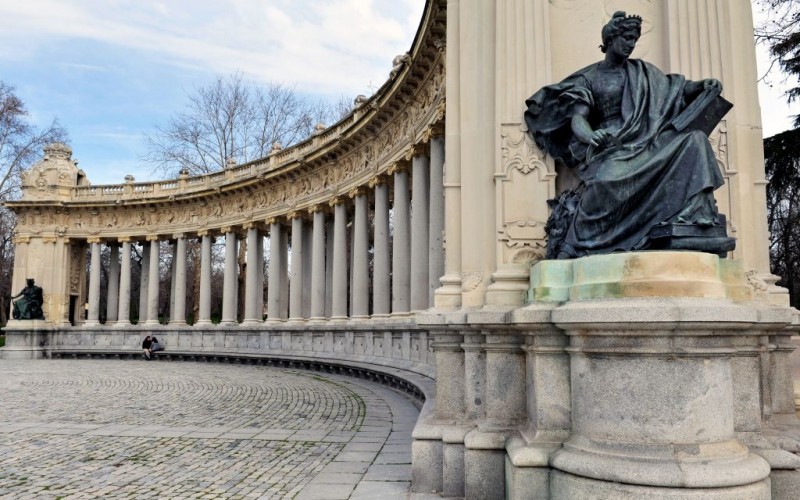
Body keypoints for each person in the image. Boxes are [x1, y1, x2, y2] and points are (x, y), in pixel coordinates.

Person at [524, 11, 734, 259]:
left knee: (695, 140)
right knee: (605, 180)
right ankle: (574, 244)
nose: (631, 44)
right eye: (626, 38)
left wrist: (703, 85)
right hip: (610, 147)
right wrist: (591, 137)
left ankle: (695, 217)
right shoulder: (589, 78)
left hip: (647, 141)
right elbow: (578, 118)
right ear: (610, 39)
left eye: (634, 38)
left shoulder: (643, 71)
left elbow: (676, 89)